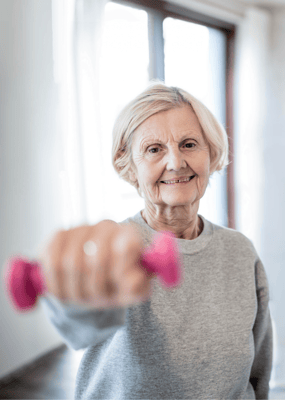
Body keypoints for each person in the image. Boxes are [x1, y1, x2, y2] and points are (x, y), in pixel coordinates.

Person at [39, 81, 273, 399]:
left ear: (212, 153)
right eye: (154, 149)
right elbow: (82, 325)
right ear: (129, 165)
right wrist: (72, 297)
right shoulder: (116, 250)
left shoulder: (240, 250)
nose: (176, 162)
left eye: (189, 144)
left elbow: (258, 369)